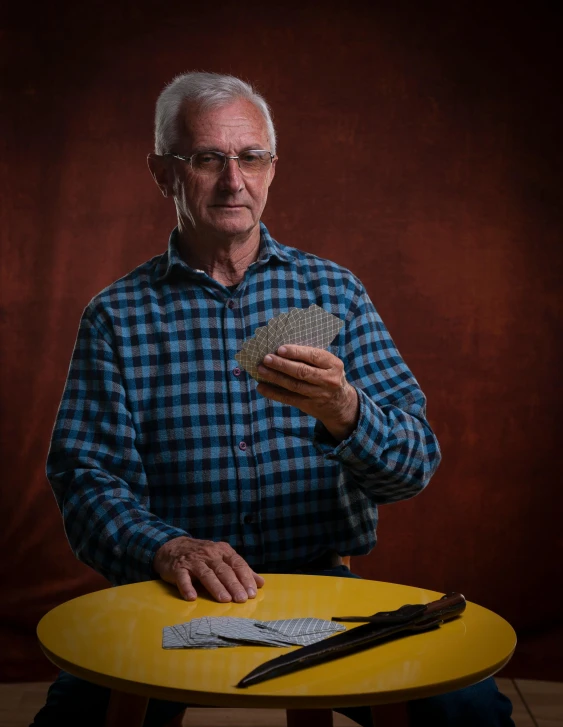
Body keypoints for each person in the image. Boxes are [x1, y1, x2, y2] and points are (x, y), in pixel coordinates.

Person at [32, 72, 513, 726]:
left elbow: (414, 464)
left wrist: (345, 413)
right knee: (72, 720)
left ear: (271, 167)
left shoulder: (333, 294)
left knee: (471, 711)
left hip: (318, 590)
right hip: (168, 592)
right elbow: (85, 480)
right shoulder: (116, 316)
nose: (234, 180)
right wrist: (164, 548)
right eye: (207, 158)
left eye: (250, 156)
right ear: (162, 172)